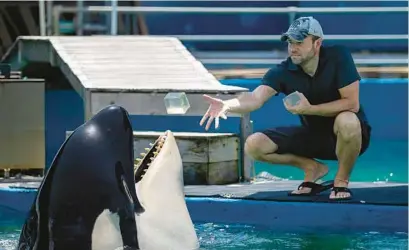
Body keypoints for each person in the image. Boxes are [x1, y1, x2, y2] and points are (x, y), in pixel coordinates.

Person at [199, 16, 371, 201]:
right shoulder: (282, 72)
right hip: (314, 136)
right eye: (290, 41)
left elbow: (351, 103)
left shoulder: (338, 56)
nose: (292, 47)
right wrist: (227, 105)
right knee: (254, 145)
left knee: (347, 120)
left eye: (299, 41)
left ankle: (340, 181)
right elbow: (255, 98)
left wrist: (309, 109)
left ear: (317, 43)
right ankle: (312, 168)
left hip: (351, 136)